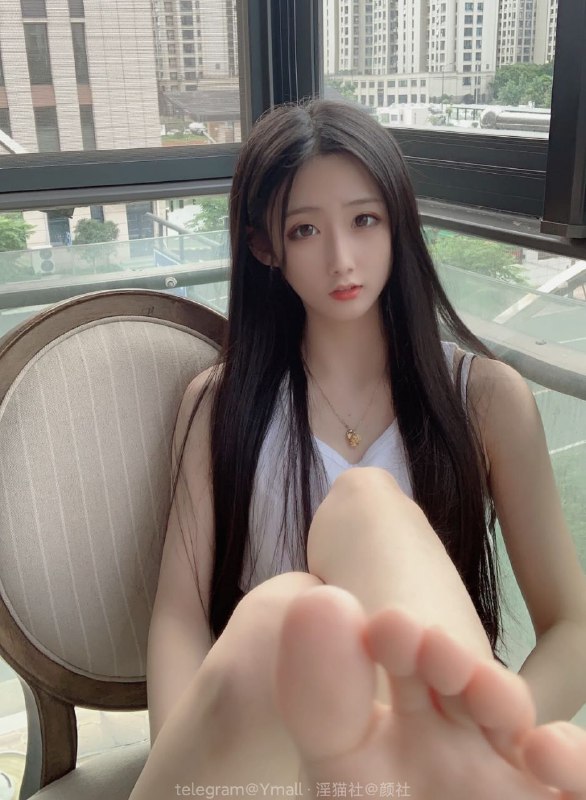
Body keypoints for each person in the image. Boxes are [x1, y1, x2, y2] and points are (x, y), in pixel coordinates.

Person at [130, 99, 586, 800]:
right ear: (265, 247)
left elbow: (574, 627)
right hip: (265, 768)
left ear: (397, 222)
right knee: (288, 613)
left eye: (364, 220)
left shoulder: (484, 399)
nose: (342, 258)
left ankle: (471, 762)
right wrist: (193, 763)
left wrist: (511, 734)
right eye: (305, 230)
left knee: (363, 510)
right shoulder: (220, 405)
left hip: (409, 754)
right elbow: (180, 617)